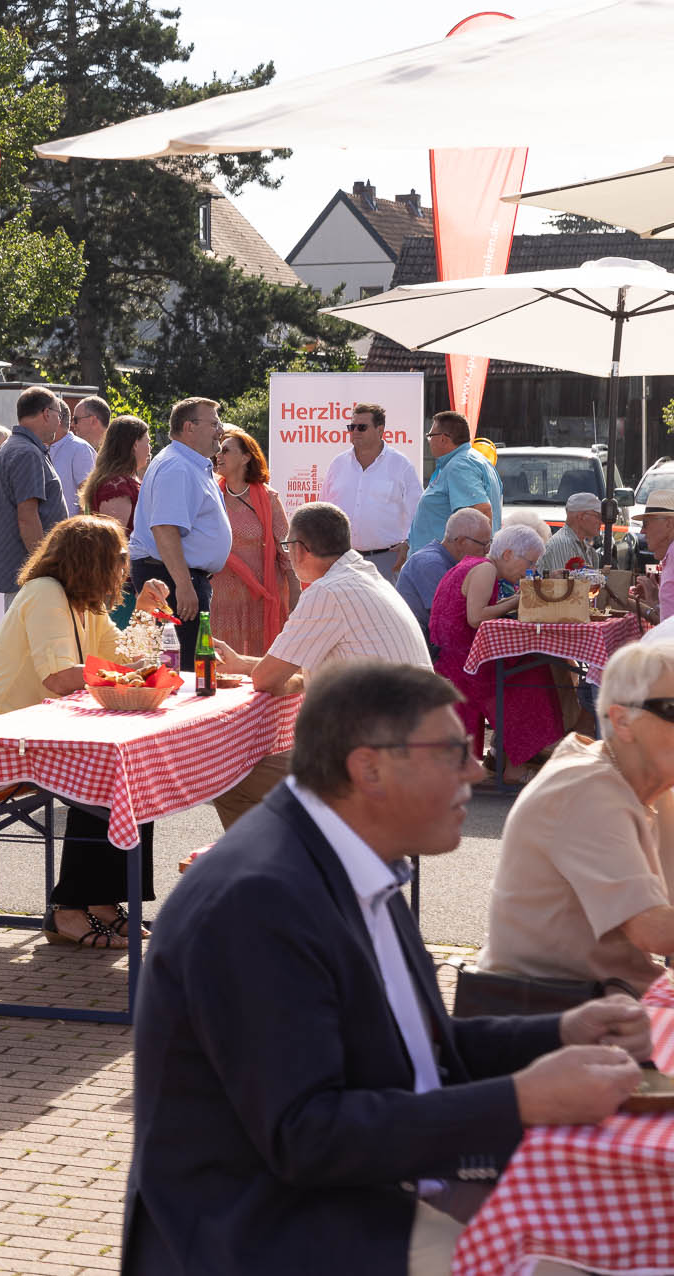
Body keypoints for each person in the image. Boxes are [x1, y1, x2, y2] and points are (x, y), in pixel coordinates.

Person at [125, 658, 650, 1276]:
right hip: (263, 1234)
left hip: (363, 1196)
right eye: (454, 751)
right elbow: (309, 1137)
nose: (477, 770)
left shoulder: (348, 857)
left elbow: (410, 1051)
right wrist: (521, 1099)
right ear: (369, 768)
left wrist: (559, 1031)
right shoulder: (258, 900)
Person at [0, 515, 172, 946]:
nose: (125, 568)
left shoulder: (82, 601)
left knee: (133, 772)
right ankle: (69, 908)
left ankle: (103, 902)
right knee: (107, 778)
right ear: (91, 560)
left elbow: (124, 657)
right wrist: (132, 669)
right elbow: (58, 678)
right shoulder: (45, 592)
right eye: (119, 558)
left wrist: (146, 615)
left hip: (37, 733)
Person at [473, 642, 674, 1014]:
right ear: (624, 721)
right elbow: (656, 931)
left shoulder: (655, 785)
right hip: (542, 1023)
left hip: (610, 1007)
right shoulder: (588, 788)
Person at [212, 501, 433, 829]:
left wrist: (255, 671)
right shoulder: (365, 576)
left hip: (370, 765)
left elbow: (268, 681)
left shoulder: (328, 592)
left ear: (301, 549)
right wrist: (246, 664)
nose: (287, 555)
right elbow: (308, 670)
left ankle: (288, 871)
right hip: (414, 755)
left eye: (287, 547)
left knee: (230, 775)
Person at [432, 522, 570, 785]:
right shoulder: (484, 568)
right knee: (528, 675)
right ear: (507, 555)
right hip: (464, 666)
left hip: (462, 658)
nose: (530, 571)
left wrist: (517, 599)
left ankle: (510, 756)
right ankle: (519, 763)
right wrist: (518, 600)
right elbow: (476, 618)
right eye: (529, 563)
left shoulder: (478, 566)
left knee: (531, 664)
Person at [129, 396, 231, 661]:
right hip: (170, 578)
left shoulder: (189, 463)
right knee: (183, 667)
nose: (220, 430)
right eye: (214, 423)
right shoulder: (177, 466)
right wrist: (184, 585)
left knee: (190, 663)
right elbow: (164, 529)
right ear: (189, 427)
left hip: (176, 576)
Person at [211, 426, 291, 657]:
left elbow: (285, 549)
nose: (219, 454)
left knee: (257, 660)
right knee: (222, 663)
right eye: (218, 449)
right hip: (221, 599)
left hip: (260, 597)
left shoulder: (268, 499)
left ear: (246, 457)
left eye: (226, 450)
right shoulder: (211, 495)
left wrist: (294, 592)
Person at [319, 401, 422, 575]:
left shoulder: (401, 465)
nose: (355, 432)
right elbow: (323, 510)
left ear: (380, 430)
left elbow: (419, 512)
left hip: (387, 560)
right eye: (352, 427)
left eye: (362, 427)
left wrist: (409, 544)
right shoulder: (337, 464)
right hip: (343, 560)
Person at [0, 387, 70, 601]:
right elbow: (27, 517)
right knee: (33, 635)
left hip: (26, 575)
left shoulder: (15, 446)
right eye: (58, 415)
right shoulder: (26, 452)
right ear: (46, 413)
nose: (58, 422)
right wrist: (44, 567)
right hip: (32, 577)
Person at [409, 408, 503, 557]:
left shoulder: (459, 466)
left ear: (442, 438)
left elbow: (481, 511)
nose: (429, 441)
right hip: (443, 563)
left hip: (445, 566)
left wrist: (468, 565)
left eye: (430, 436)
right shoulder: (473, 460)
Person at [398, 508, 492, 629]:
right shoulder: (431, 564)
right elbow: (450, 617)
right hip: (421, 640)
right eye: (484, 544)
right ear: (461, 542)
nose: (487, 550)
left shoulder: (448, 560)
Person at [79, 414, 149, 532]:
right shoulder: (116, 487)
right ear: (135, 445)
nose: (150, 448)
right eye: (147, 442)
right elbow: (115, 541)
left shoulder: (124, 480)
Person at [539, 491, 612, 574]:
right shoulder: (562, 544)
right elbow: (564, 585)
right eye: (598, 516)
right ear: (581, 516)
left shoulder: (589, 550)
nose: (601, 522)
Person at [52, 394, 105, 497]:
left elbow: (87, 498)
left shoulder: (80, 449)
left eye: (76, 420)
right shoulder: (44, 447)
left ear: (58, 419)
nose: (72, 425)